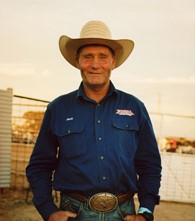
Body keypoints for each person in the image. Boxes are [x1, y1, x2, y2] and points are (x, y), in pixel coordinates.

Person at [26, 20, 162, 221]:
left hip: (124, 213)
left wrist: (146, 211)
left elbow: (150, 163)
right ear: (77, 61)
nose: (95, 65)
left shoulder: (135, 107)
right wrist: (48, 210)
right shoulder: (57, 108)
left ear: (113, 62)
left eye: (103, 57)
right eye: (88, 57)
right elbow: (39, 165)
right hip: (74, 212)